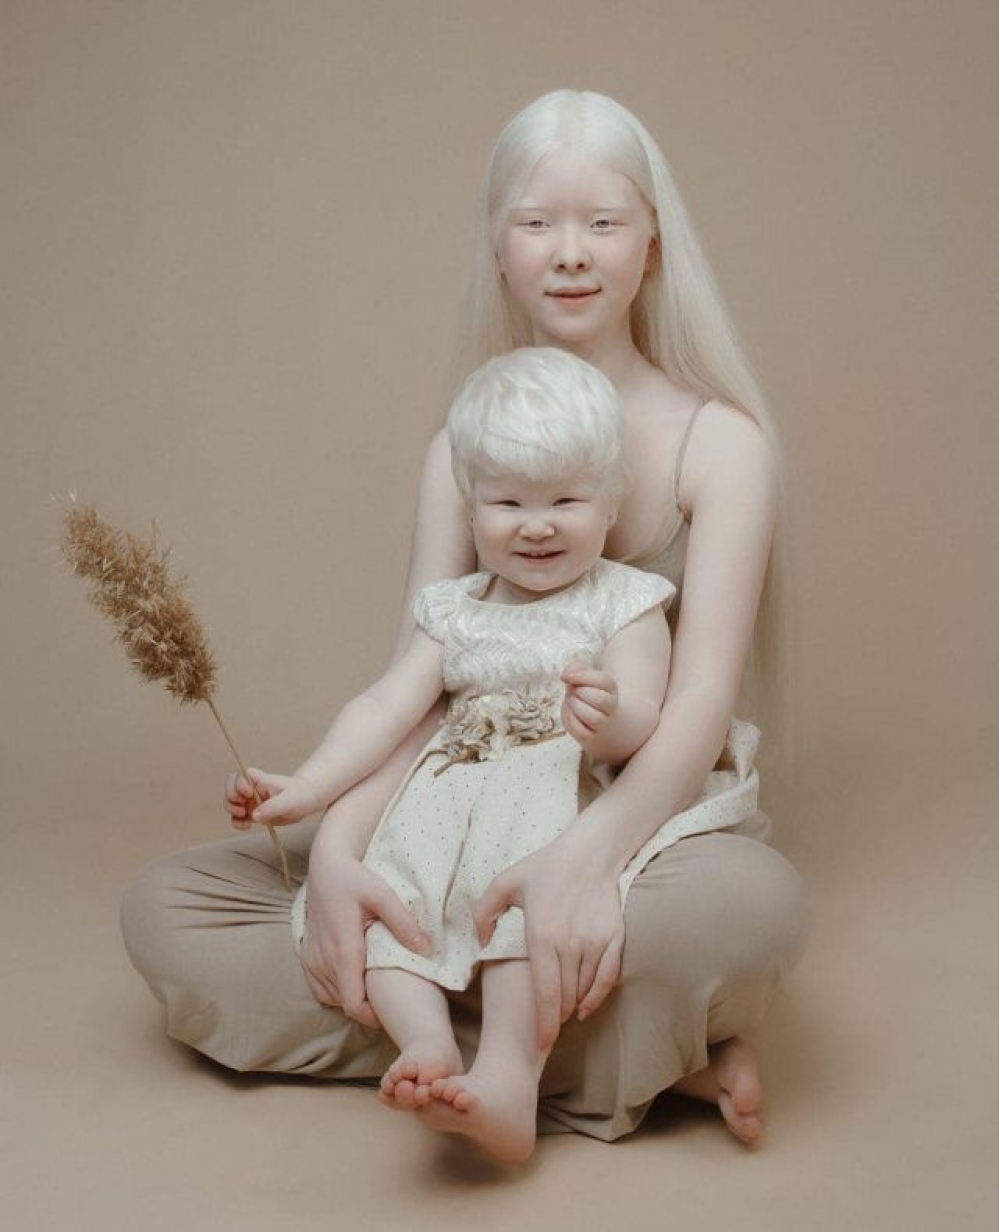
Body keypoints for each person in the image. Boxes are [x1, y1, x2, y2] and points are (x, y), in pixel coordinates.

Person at [121, 89, 809, 1151]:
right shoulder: (458, 450)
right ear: (497, 246)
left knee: (750, 907)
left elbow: (701, 699)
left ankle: (483, 1028)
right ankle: (638, 1057)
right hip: (455, 804)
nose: (570, 254)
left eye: (603, 222)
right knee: (168, 911)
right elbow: (422, 685)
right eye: (537, 223)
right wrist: (340, 850)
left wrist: (584, 861)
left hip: (637, 817)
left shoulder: (719, 446)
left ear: (653, 244)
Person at [239, 346, 689, 1161]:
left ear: (612, 500)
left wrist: (607, 718)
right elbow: (386, 707)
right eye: (508, 501)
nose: (536, 524)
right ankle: (427, 1045)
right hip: (442, 803)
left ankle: (509, 1080)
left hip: (549, 803)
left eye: (565, 500)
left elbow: (645, 717)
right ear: (470, 506)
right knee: (392, 911)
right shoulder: (454, 610)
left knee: (525, 923)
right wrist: (308, 787)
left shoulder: (624, 603)